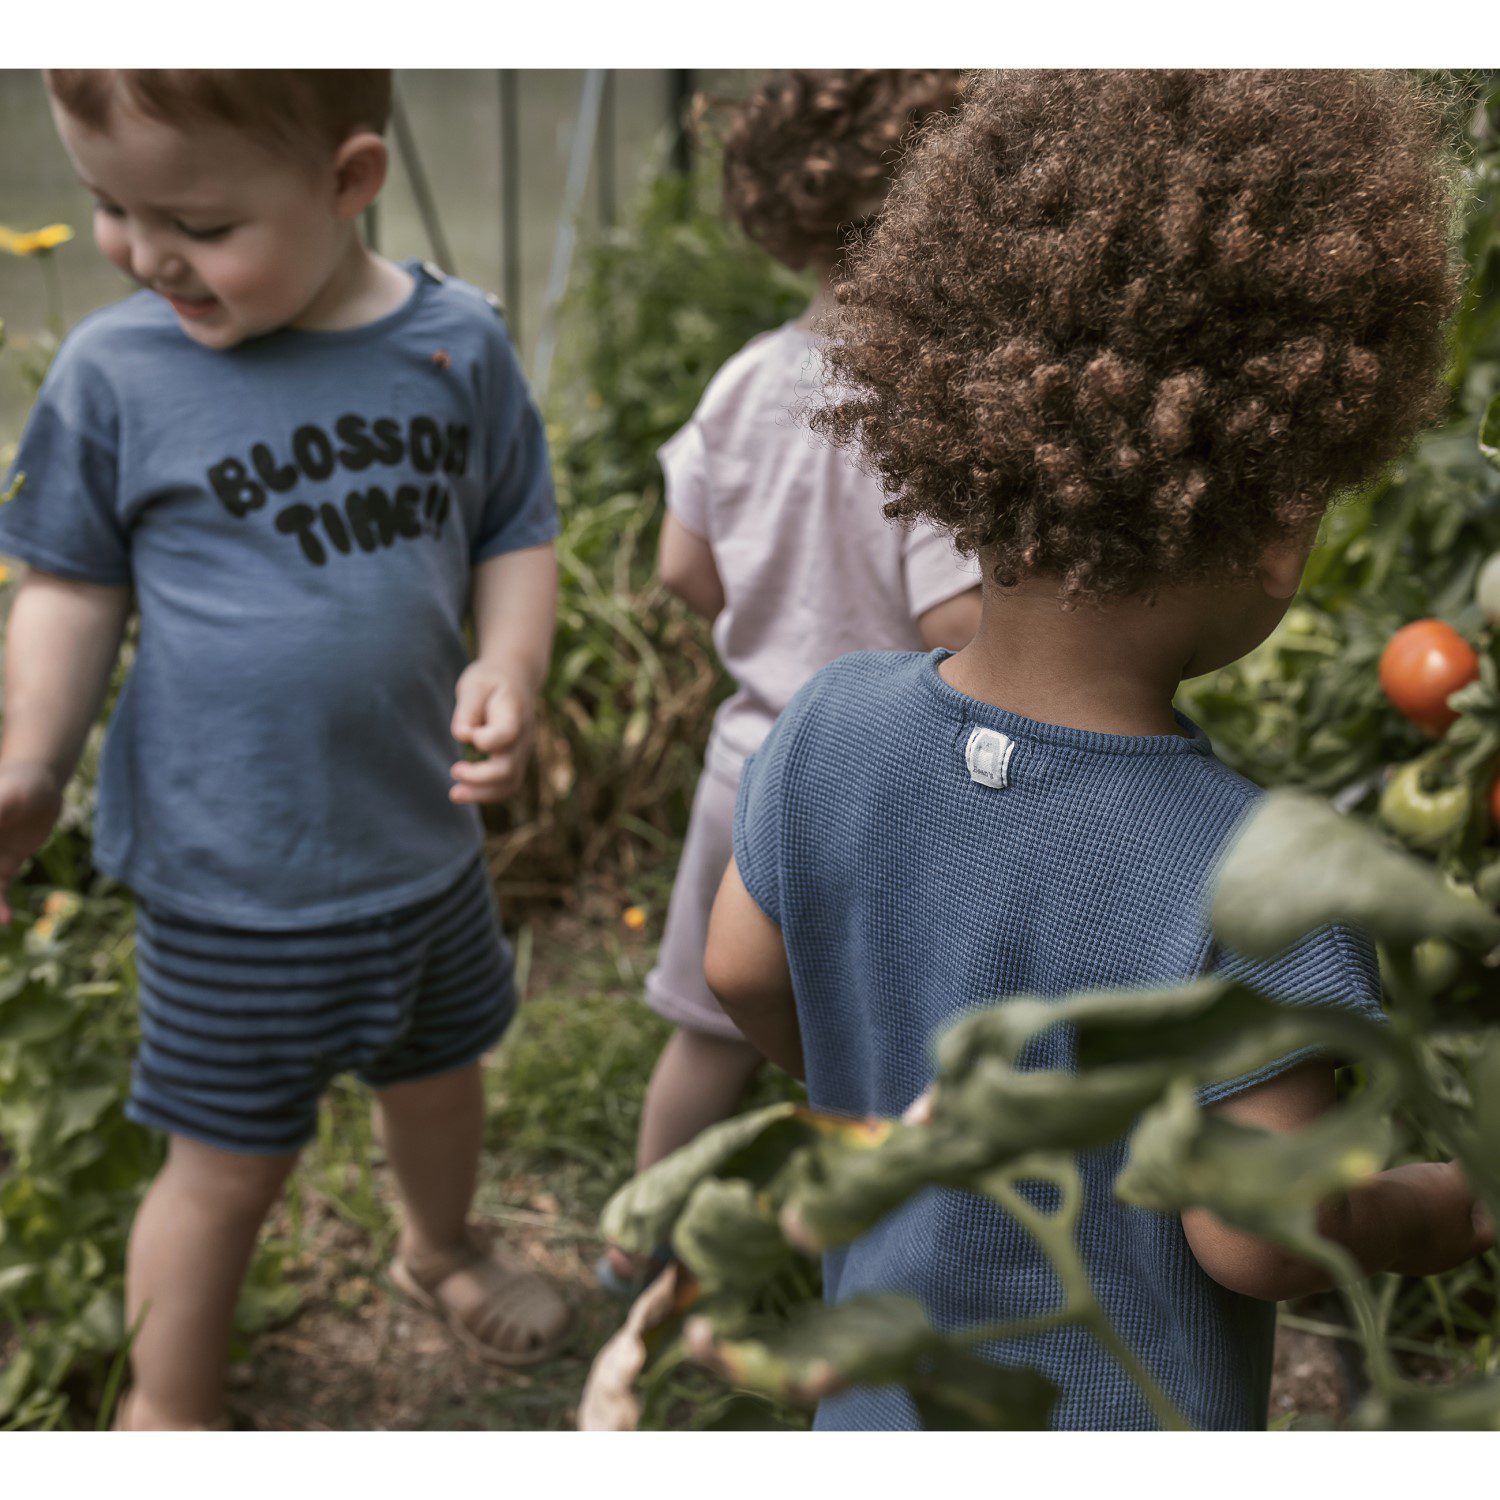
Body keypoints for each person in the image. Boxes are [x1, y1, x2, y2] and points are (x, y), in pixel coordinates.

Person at [704, 69, 1494, 1430]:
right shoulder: (1254, 879)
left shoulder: (829, 723)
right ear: (1281, 525)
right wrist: (1445, 1207)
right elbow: (1257, 1232)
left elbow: (735, 967)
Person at [0, 69, 570, 1430]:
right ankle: (169, 1412)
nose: (142, 255)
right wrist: (29, 761)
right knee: (223, 1170)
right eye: (109, 209)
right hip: (231, 882)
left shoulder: (457, 344)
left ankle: (439, 1244)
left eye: (191, 221)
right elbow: (72, 585)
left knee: (441, 1080)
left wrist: (511, 663)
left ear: (351, 179)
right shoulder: (115, 373)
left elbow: (513, 526)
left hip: (421, 846)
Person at [599, 70, 982, 1292]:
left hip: (745, 763)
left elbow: (681, 563)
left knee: (706, 1032)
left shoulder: (745, 381)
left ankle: (637, 1246)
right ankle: (898, 1262)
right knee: (903, 1043)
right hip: (888, 784)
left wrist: (771, 620)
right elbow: (956, 613)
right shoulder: (931, 397)